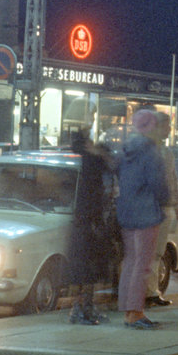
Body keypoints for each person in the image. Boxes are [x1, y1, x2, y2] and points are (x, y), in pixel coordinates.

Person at [114, 109, 170, 329]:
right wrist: (164, 202)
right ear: (152, 127)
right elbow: (158, 184)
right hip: (146, 213)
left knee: (130, 262)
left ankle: (127, 311)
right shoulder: (151, 152)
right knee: (143, 264)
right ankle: (136, 312)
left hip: (126, 212)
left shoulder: (125, 150)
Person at [66, 130, 114, 325]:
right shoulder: (91, 162)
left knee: (84, 269)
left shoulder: (82, 161)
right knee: (87, 268)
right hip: (90, 222)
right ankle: (81, 308)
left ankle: (82, 307)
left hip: (84, 221)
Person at [143, 111, 178, 308]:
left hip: (164, 208)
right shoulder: (147, 150)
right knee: (148, 251)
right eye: (167, 126)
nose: (169, 130)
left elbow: (172, 179)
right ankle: (145, 291)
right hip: (150, 209)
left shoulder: (167, 153)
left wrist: (176, 205)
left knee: (158, 252)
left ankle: (152, 290)